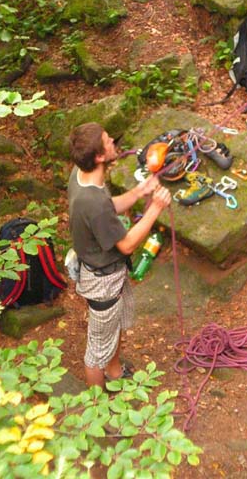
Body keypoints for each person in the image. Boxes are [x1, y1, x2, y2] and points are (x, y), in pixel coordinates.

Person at [67, 122, 171, 389]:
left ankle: (114, 372)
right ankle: (96, 409)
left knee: (114, 328)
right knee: (96, 352)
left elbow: (107, 207)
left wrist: (139, 192)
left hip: (109, 272)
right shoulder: (92, 201)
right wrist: (155, 208)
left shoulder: (82, 176)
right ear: (100, 156)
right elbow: (126, 245)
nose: (113, 140)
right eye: (107, 140)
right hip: (102, 282)